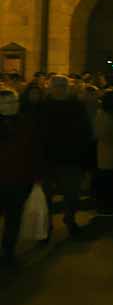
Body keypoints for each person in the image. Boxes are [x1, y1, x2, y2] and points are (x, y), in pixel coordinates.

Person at [38, 75, 92, 238]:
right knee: (46, 195)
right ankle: (46, 226)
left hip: (70, 158)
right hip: (48, 158)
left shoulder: (76, 106)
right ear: (51, 87)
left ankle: (69, 219)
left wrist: (84, 157)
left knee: (72, 194)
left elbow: (85, 132)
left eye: (63, 85)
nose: (60, 88)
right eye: (57, 85)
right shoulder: (43, 106)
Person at [0, 89, 43, 266]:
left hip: (20, 179)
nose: (13, 106)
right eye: (8, 103)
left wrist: (37, 174)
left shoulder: (26, 122)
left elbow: (35, 150)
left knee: (14, 217)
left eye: (15, 102)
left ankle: (8, 251)